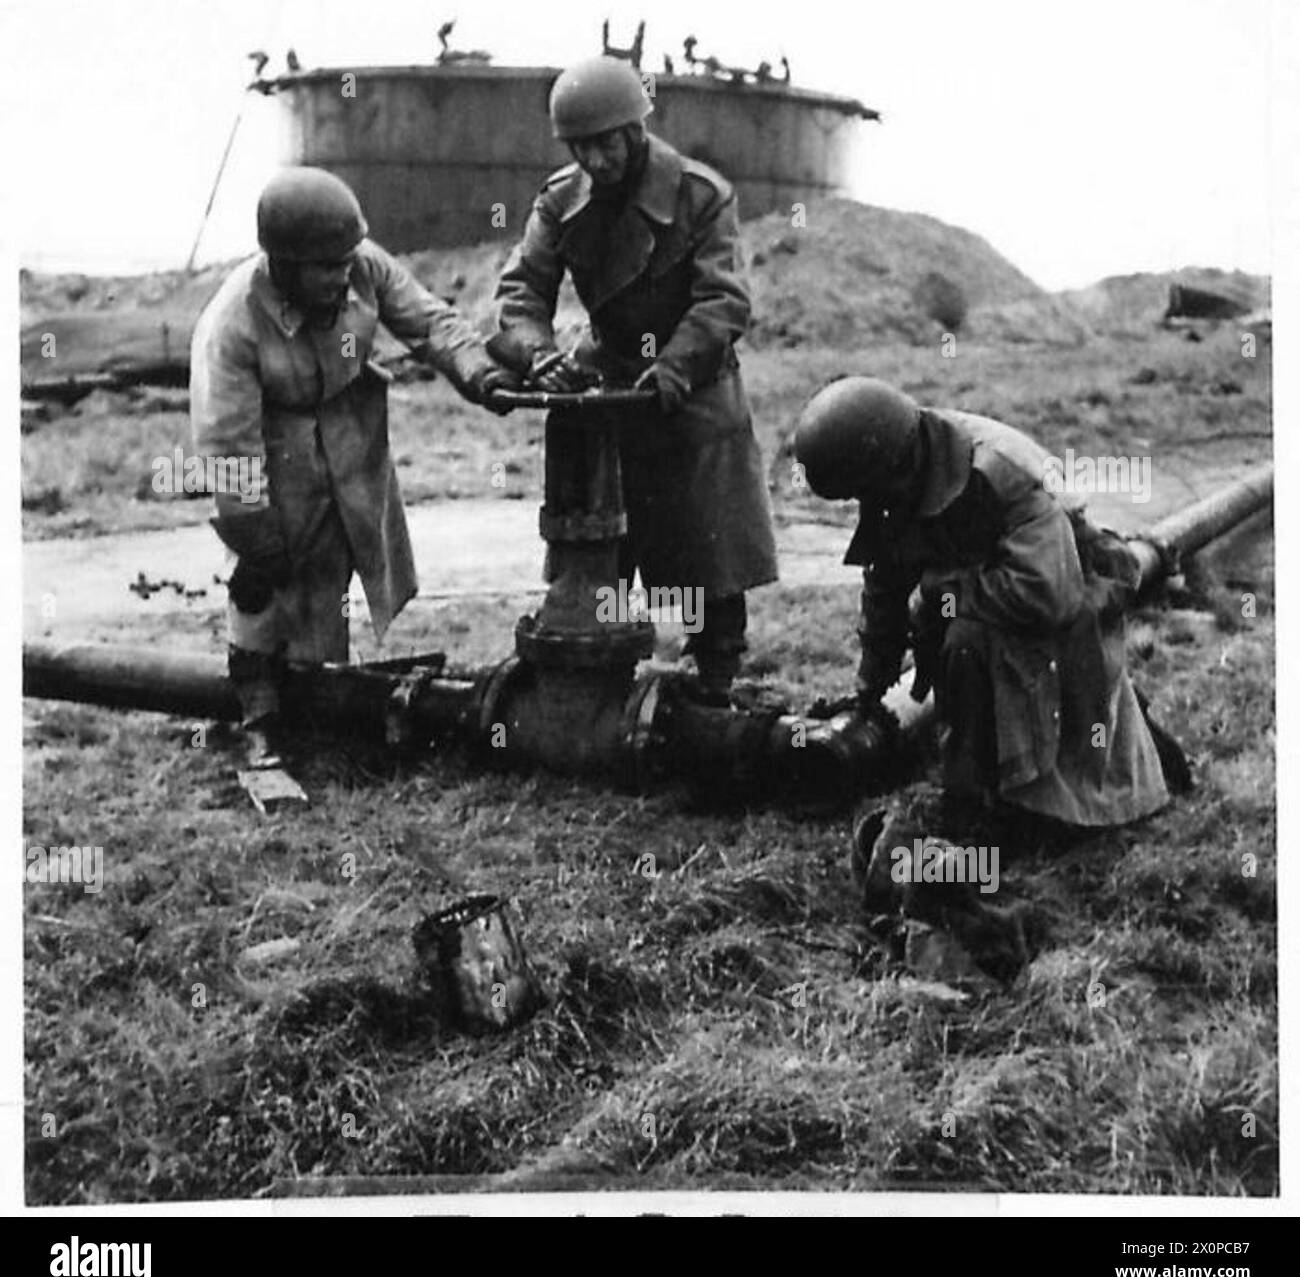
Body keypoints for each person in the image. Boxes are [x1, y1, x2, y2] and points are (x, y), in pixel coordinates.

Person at [793, 378, 1183, 902]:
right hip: (1004, 600)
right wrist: (871, 686)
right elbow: (884, 584)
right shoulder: (894, 468)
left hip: (1067, 602)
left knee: (968, 642)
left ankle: (987, 809)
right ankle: (989, 776)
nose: (867, 502)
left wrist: (942, 588)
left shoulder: (999, 474)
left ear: (896, 466)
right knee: (960, 634)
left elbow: (1050, 594)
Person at [190, 166, 514, 764]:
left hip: (347, 429)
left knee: (334, 570)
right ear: (283, 264)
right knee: (266, 582)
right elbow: (227, 445)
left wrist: (480, 373)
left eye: (346, 261)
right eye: (325, 267)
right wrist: (255, 537)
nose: (343, 276)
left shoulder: (361, 264)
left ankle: (320, 698)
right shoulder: (231, 323)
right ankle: (258, 712)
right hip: (271, 445)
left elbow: (430, 322)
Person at [492, 56, 778, 705]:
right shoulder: (561, 200)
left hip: (692, 388)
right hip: (609, 388)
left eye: (605, 142)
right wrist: (541, 356)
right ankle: (595, 675)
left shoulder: (701, 195)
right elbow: (519, 292)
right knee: (599, 547)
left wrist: (673, 369)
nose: (595, 158)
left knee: (706, 555)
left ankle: (716, 681)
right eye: (580, 146)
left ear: (636, 129)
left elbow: (722, 301)